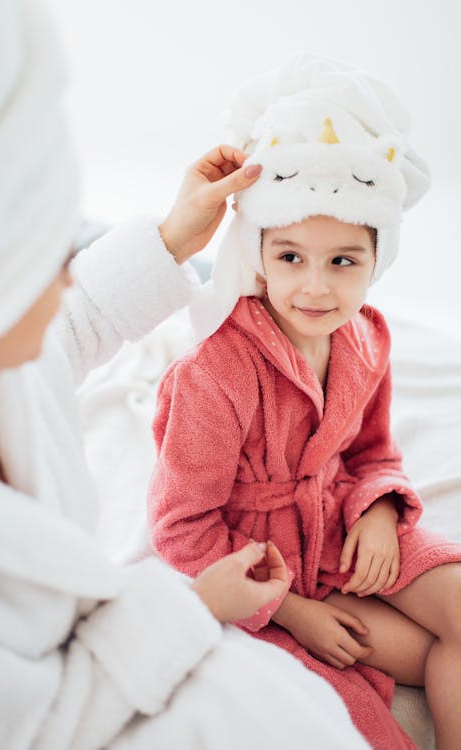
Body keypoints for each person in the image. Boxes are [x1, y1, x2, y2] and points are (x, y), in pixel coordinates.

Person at [0, 3, 375, 749]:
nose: (70, 266)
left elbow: (70, 323)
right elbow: (39, 724)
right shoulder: (213, 374)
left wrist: (171, 236)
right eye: (46, 247)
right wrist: (197, 606)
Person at [148, 54, 461, 750]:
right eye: (290, 257)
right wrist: (291, 612)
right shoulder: (216, 371)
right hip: (270, 565)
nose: (315, 287)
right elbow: (182, 530)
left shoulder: (368, 337)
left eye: (343, 261)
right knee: (378, 682)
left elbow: (372, 451)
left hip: (346, 535)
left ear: (378, 259)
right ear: (259, 250)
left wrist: (380, 510)